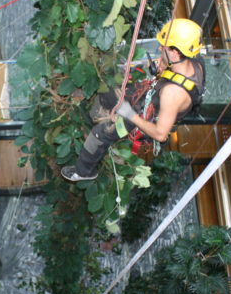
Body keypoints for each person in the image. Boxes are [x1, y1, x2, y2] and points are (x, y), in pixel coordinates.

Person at [61, 18, 206, 181]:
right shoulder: (194, 60)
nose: (160, 48)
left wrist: (130, 115)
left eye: (164, 47)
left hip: (142, 118)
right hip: (147, 97)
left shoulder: (172, 93)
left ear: (175, 52)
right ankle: (93, 110)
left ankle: (83, 172)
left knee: (100, 134)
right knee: (108, 91)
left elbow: (160, 134)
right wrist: (162, 67)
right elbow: (172, 70)